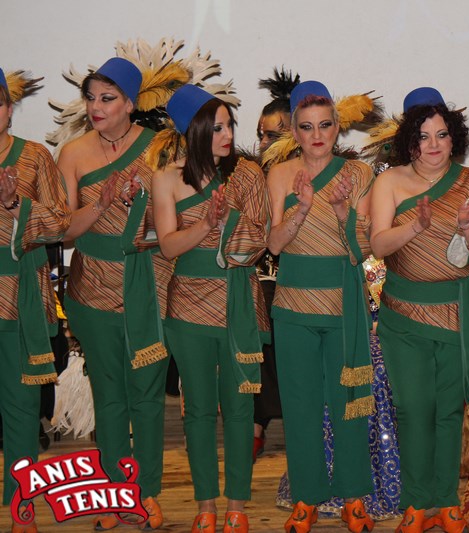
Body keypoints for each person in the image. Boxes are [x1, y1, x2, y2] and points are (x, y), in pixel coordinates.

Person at [370, 86, 469, 533]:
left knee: (449, 410)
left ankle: (446, 502)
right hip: (404, 315)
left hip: (457, 311)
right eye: (423, 136)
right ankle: (417, 502)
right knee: (413, 407)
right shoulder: (389, 182)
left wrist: (466, 227)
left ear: (454, 139)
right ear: (409, 141)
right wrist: (416, 226)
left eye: (442, 135)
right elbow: (378, 245)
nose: (433, 144)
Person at [57, 57, 171, 531]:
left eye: (107, 98)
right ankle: (113, 492)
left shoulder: (160, 149)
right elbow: (64, 231)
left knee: (147, 395)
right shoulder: (73, 153)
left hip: (149, 285)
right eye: (90, 98)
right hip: (92, 288)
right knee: (109, 395)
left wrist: (145, 213)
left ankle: (146, 493)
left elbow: (175, 219)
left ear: (130, 103)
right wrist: (101, 203)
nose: (96, 107)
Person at [152, 84, 269, 533]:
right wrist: (206, 223)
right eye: (217, 127)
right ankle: (205, 505)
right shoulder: (167, 179)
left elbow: (260, 238)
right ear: (194, 130)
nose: (228, 135)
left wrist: (232, 228)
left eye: (229, 125)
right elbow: (168, 246)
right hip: (187, 308)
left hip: (238, 302)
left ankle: (237, 506)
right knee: (198, 410)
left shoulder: (246, 176)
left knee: (240, 409)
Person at [267, 80, 375, 533]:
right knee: (300, 407)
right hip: (293, 306)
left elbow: (363, 250)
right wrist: (302, 209)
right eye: (307, 127)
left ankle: (353, 496)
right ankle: (306, 497)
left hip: (344, 305)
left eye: (325, 125)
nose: (317, 135)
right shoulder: (279, 175)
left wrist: (341, 213)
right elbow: (274, 245)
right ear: (294, 131)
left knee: (350, 404)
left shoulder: (359, 174)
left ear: (337, 128)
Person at [0, 67, 69, 533]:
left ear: (9, 107)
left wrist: (15, 205)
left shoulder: (34, 157)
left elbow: (60, 221)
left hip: (17, 293)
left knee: (21, 405)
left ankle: (20, 502)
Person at [252, 68, 297, 463]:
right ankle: (255, 424)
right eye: (261, 135)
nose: (264, 143)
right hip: (260, 275)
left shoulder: (323, 171)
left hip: (308, 277)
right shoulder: (249, 176)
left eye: (273, 135)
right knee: (255, 307)